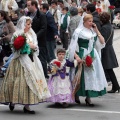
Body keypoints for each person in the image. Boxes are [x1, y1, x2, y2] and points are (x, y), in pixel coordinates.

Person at [0, 16, 51, 114]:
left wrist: (34, 47)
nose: (29, 26)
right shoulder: (17, 34)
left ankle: (27, 107)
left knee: (31, 82)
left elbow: (36, 45)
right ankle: (13, 101)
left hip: (31, 59)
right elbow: (14, 48)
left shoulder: (32, 33)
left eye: (30, 24)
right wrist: (27, 46)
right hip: (20, 61)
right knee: (18, 82)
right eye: (28, 24)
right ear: (23, 24)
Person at [68, 14, 107, 106]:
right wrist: (77, 57)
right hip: (82, 54)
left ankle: (88, 97)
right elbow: (72, 46)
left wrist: (97, 30)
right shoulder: (78, 32)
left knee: (91, 76)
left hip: (93, 55)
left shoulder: (93, 31)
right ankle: (77, 95)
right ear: (84, 22)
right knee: (79, 76)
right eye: (89, 21)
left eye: (91, 21)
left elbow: (102, 42)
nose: (91, 23)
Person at [27, 0, 49, 78]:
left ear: (34, 5)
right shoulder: (28, 15)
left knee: (42, 58)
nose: (28, 7)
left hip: (40, 40)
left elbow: (43, 28)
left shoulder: (41, 15)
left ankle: (44, 75)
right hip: (30, 40)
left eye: (29, 5)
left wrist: (35, 36)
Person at [99, 12, 119, 93]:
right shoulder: (109, 26)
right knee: (109, 69)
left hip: (106, 49)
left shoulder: (104, 28)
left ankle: (116, 86)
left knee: (108, 69)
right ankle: (116, 86)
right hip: (109, 48)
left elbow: (102, 41)